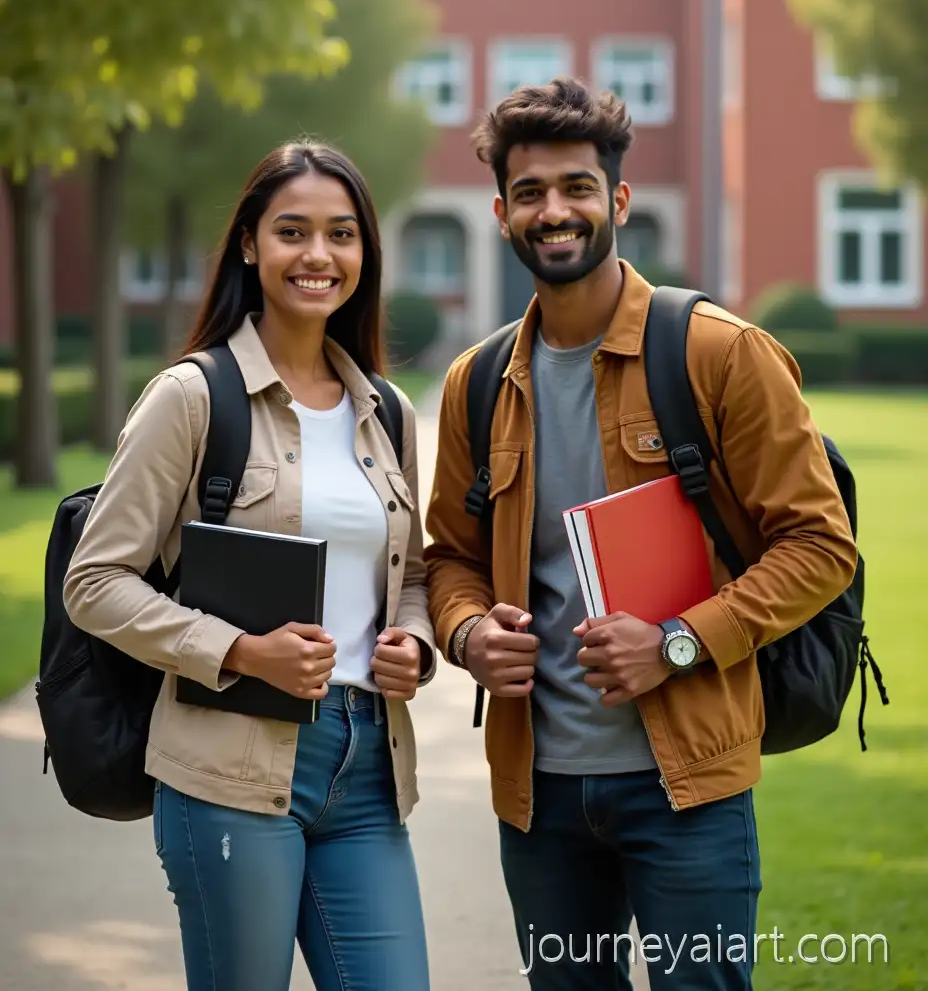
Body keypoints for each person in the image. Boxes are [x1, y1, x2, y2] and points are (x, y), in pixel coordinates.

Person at [423, 78, 858, 990]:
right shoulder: (476, 382)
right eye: (532, 192)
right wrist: (466, 633)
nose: (555, 211)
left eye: (577, 187)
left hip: (687, 786)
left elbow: (820, 546)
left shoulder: (719, 352)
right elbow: (451, 560)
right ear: (502, 212)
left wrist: (678, 642)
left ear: (617, 200)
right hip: (537, 796)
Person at [63, 141, 436, 991]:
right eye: (292, 231)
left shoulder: (389, 413)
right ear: (248, 245)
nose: (318, 256)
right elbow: (94, 582)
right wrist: (239, 650)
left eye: (342, 235)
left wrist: (412, 642)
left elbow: (411, 572)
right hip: (230, 764)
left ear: (364, 253)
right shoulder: (192, 397)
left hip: (369, 763)